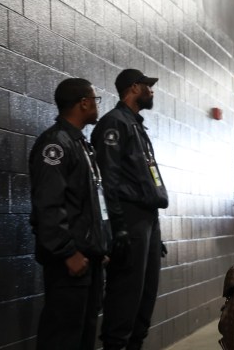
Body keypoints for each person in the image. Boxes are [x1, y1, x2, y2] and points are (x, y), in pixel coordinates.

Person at [92, 69, 169, 350]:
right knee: (125, 299)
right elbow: (107, 182)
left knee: (145, 300)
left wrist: (153, 231)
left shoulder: (137, 126)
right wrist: (118, 227)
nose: (152, 91)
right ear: (134, 88)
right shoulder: (114, 124)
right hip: (129, 218)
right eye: (148, 86)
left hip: (148, 219)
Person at [29, 78, 108, 349]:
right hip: (69, 263)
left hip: (88, 259)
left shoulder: (81, 145)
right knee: (62, 338)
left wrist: (100, 246)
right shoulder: (56, 145)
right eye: (95, 100)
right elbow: (48, 205)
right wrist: (67, 252)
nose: (97, 106)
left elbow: (89, 203)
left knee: (83, 336)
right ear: (83, 103)